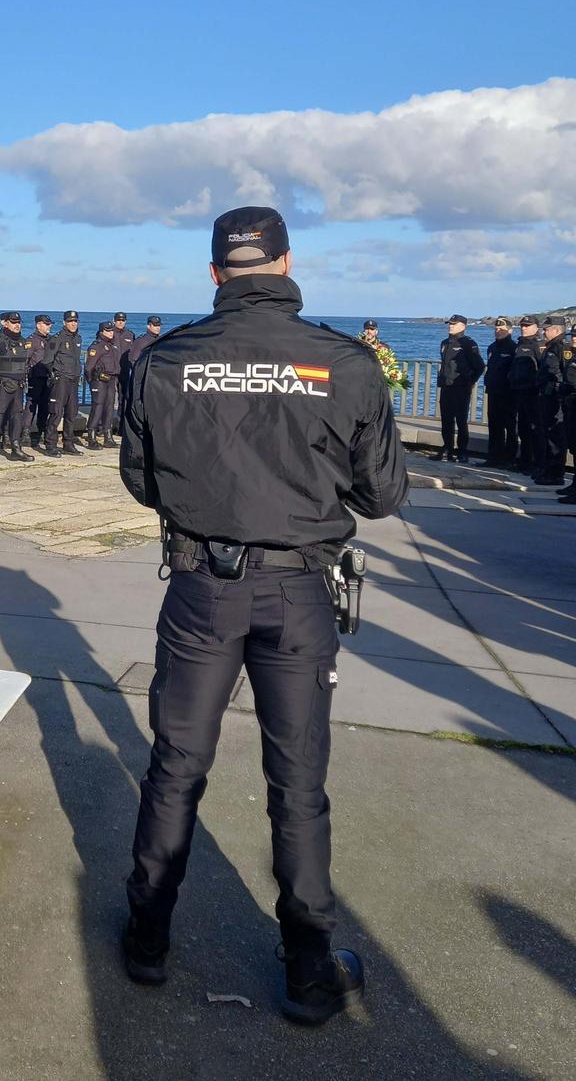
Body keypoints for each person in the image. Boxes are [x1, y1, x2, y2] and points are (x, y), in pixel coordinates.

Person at [119, 205, 408, 1025]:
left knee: (176, 764)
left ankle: (147, 938)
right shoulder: (344, 363)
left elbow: (142, 479)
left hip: (201, 588)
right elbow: (383, 493)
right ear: (285, 264)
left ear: (215, 273)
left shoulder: (162, 359)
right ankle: (309, 967)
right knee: (298, 782)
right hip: (297, 592)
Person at [0, 312, 34, 465]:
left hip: (18, 385)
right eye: (13, 322)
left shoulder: (22, 341)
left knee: (17, 416)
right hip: (2, 385)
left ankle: (15, 447)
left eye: (19, 322)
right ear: (5, 323)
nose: (17, 325)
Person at [434, 315, 484, 464]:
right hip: (446, 386)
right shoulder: (444, 343)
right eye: (449, 324)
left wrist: (470, 381)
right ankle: (448, 448)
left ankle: (462, 452)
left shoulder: (468, 343)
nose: (450, 326)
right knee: (446, 420)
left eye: (454, 324)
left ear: (463, 326)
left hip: (461, 388)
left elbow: (479, 366)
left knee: (461, 420)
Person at [42, 311, 84, 458]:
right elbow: (47, 360)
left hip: (73, 380)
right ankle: (51, 444)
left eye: (75, 321)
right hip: (61, 381)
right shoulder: (57, 338)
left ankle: (68, 443)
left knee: (71, 413)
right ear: (64, 322)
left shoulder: (78, 338)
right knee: (56, 413)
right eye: (70, 321)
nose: (73, 324)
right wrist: (53, 374)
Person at [535, 316, 569, 486]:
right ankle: (547, 470)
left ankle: (556, 474)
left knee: (556, 437)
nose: (543, 332)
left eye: (546, 329)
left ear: (556, 330)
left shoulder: (561, 348)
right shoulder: (550, 347)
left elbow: (564, 374)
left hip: (555, 399)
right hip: (546, 397)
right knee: (546, 434)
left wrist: (557, 392)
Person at [510, 316, 544, 474]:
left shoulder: (538, 345)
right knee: (522, 428)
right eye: (522, 325)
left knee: (534, 429)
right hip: (518, 392)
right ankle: (524, 461)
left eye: (527, 326)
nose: (524, 328)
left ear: (536, 327)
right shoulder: (519, 344)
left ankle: (535, 463)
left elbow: (542, 369)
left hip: (532, 394)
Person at [482, 317, 518, 469]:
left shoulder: (514, 348)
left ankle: (509, 459)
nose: (498, 331)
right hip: (494, 391)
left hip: (508, 393)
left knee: (509, 427)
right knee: (494, 425)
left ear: (510, 330)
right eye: (496, 329)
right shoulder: (492, 347)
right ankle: (493, 457)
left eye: (501, 329)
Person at [84, 321, 119, 448]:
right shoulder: (97, 346)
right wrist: (92, 380)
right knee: (98, 406)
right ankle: (91, 436)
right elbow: (89, 367)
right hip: (99, 380)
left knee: (109, 407)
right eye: (108, 330)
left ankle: (107, 436)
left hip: (111, 379)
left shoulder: (112, 345)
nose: (111, 333)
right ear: (101, 332)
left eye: (112, 330)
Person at [26, 314, 54, 447]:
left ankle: (40, 431)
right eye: (46, 324)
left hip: (48, 378)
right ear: (38, 325)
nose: (49, 326)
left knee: (45, 407)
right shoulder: (32, 340)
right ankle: (26, 432)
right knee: (31, 405)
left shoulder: (51, 340)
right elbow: (26, 360)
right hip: (35, 377)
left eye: (50, 324)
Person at [557, 327, 576, 504]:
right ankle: (574, 486)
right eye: (573, 336)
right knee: (573, 445)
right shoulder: (571, 355)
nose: (574, 339)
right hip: (570, 404)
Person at [110, 312, 135, 434]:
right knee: (107, 400)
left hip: (124, 371)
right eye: (118, 320)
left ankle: (121, 426)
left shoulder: (130, 334)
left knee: (123, 398)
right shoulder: (109, 332)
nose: (120, 322)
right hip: (110, 371)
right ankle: (103, 427)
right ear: (114, 321)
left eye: (123, 320)